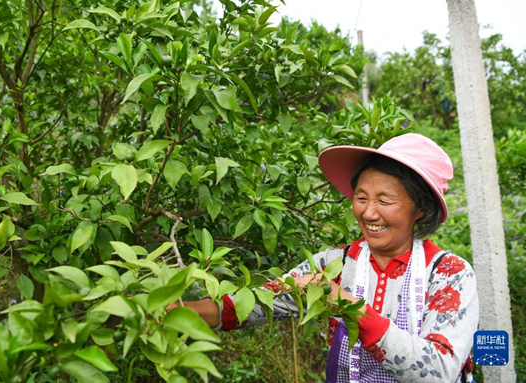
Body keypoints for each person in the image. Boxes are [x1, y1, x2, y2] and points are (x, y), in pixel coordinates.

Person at [175, 133, 479, 382]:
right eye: (361, 198)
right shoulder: (336, 264)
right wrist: (173, 310)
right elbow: (252, 305)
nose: (368, 212)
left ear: (421, 209)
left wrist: (349, 308)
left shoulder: (449, 275)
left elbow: (438, 371)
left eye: (384, 200)